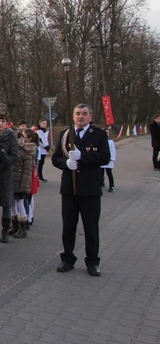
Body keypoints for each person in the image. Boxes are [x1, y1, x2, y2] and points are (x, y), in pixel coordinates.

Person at [52, 103, 110, 276]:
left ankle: (92, 262)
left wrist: (82, 156)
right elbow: (56, 158)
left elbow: (105, 157)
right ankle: (67, 259)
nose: (80, 117)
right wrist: (66, 164)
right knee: (68, 227)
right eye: (77, 113)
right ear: (73, 116)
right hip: (69, 189)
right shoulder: (65, 135)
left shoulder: (99, 135)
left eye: (84, 114)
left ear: (90, 117)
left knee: (91, 228)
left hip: (89, 190)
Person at [0, 114, 18, 243]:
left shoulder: (11, 136)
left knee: (6, 203)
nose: (0, 123)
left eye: (3, 121)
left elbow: (15, 155)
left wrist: (4, 160)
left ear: (7, 123)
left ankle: (5, 232)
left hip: (5, 172)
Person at [10, 130, 36, 239]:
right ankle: (15, 225)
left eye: (22, 138)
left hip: (20, 184)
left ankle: (23, 228)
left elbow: (27, 172)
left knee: (20, 204)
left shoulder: (26, 153)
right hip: (11, 183)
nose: (20, 140)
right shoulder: (11, 152)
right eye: (18, 138)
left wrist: (25, 186)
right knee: (12, 204)